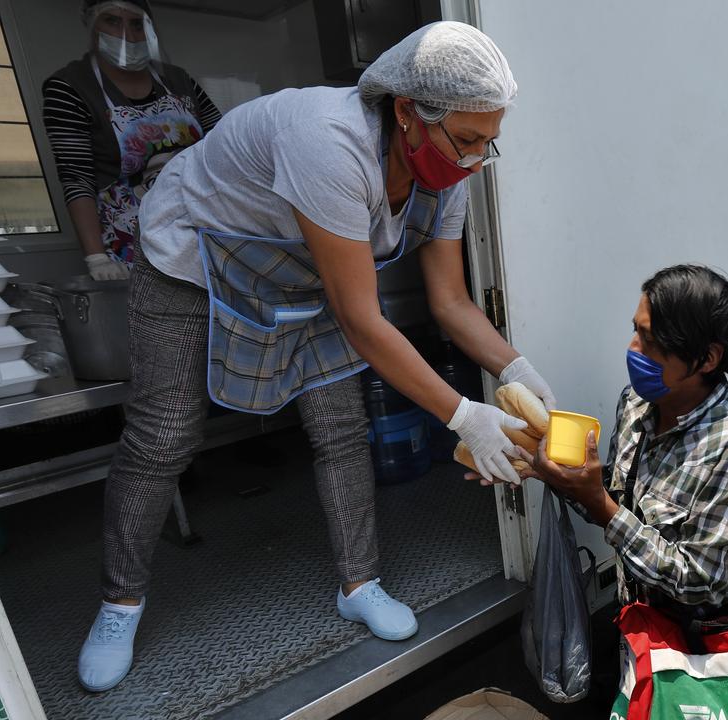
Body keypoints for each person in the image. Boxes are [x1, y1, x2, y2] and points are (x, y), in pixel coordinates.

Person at [76, 22, 557, 692]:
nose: (477, 159)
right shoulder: (329, 142)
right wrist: (463, 417)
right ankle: (119, 603)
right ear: (408, 114)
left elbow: (450, 302)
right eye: (468, 140)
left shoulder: (449, 171)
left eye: (489, 141)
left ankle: (359, 585)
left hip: (299, 270)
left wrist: (517, 371)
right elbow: (362, 319)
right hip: (193, 257)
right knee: (163, 434)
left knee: (339, 425)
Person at [494, 265, 728, 614]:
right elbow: (618, 499)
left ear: (707, 358)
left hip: (705, 653)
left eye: (650, 341)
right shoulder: (636, 404)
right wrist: (553, 472)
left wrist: (601, 508)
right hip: (638, 630)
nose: (633, 349)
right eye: (636, 332)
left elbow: (698, 580)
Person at [43, 0, 222, 280]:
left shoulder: (178, 80)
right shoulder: (70, 88)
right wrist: (96, 258)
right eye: (112, 21)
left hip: (204, 227)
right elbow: (76, 177)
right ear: (91, 25)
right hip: (131, 245)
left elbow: (223, 143)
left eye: (137, 24)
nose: (127, 34)